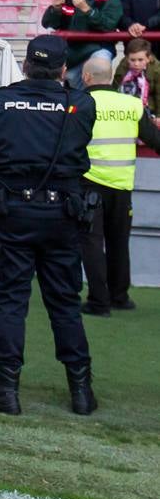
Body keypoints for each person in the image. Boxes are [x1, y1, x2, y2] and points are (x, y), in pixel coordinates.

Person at [0, 35, 97, 416]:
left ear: (26, 65)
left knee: (10, 301)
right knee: (65, 303)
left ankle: (6, 388)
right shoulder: (81, 104)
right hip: (62, 214)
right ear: (63, 69)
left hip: (12, 212)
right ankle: (81, 391)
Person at [77, 56, 160, 315]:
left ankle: (98, 301)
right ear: (111, 77)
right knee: (119, 242)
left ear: (86, 77)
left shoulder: (80, 103)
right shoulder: (132, 104)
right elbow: (154, 139)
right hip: (122, 184)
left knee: (91, 242)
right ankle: (120, 296)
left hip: (89, 182)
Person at [41, 0, 122, 87]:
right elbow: (47, 24)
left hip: (98, 48)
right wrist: (55, 10)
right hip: (71, 52)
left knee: (99, 66)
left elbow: (108, 26)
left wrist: (87, 10)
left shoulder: (111, 0)